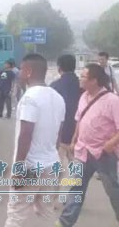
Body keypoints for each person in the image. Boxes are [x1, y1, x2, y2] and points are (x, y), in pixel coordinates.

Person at [4, 54, 65, 227]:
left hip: (31, 167)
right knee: (46, 211)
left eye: (22, 70)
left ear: (29, 71)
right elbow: (58, 136)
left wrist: (18, 169)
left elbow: (26, 135)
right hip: (51, 164)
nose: (19, 74)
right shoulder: (58, 98)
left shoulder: (30, 98)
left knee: (17, 213)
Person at [56, 64, 119, 227]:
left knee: (112, 189)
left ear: (94, 80)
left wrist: (111, 143)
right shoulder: (83, 97)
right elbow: (80, 119)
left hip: (103, 154)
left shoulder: (112, 101)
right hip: (82, 151)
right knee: (76, 187)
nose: (80, 79)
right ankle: (65, 222)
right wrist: (74, 139)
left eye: (84, 76)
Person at [49, 54, 81, 208]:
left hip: (60, 134)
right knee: (76, 168)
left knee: (58, 168)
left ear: (59, 67)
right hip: (79, 135)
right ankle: (73, 199)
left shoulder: (54, 86)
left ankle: (55, 199)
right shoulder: (83, 86)